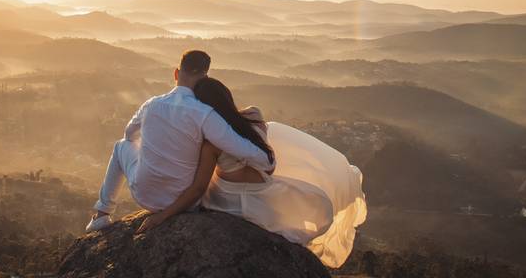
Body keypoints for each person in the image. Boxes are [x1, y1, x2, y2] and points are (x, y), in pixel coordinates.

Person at [137, 77, 367, 268]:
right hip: (266, 190)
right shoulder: (254, 115)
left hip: (233, 200)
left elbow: (198, 188)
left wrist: (163, 215)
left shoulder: (211, 144)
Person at [86, 50, 276, 232]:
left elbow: (129, 135)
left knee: (121, 146)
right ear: (205, 77)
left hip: (144, 196)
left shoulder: (151, 104)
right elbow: (248, 151)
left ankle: (102, 214)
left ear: (176, 73)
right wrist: (266, 159)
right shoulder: (206, 115)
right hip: (186, 201)